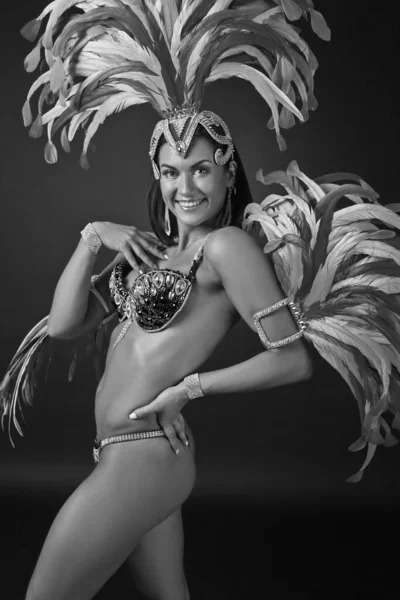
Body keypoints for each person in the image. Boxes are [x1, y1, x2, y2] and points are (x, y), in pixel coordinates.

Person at [1, 2, 400, 599]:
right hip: (126, 453)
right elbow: (63, 327)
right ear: (156, 175)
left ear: (226, 171)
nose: (184, 187)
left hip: (144, 460)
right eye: (170, 172)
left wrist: (188, 389)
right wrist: (91, 238)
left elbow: (290, 360)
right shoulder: (150, 254)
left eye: (200, 170)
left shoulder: (227, 248)